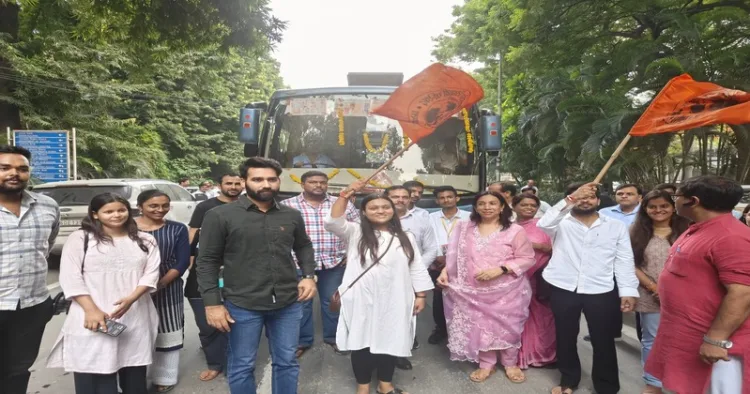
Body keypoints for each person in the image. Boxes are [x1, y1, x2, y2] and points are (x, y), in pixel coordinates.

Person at [197, 157, 317, 394]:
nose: (266, 184)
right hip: (243, 304)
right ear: (244, 181)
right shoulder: (220, 216)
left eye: (271, 179)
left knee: (287, 362)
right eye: (258, 179)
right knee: (242, 365)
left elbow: (303, 246)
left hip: (287, 302)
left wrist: (308, 275)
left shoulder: (291, 215)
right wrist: (212, 305)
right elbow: (207, 261)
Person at [325, 180, 434, 394]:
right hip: (361, 298)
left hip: (396, 299)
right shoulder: (355, 233)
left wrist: (420, 295)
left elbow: (416, 267)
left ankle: (385, 385)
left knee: (391, 340)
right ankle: (363, 387)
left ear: (393, 211)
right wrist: (345, 195)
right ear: (364, 212)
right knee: (360, 341)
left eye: (386, 207)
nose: (381, 211)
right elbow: (333, 222)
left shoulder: (406, 237)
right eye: (374, 207)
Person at [47, 193, 161, 394]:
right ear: (95, 214)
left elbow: (151, 274)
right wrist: (91, 310)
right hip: (91, 314)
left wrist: (131, 299)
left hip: (136, 313)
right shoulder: (81, 238)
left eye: (121, 210)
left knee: (134, 369)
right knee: (95, 368)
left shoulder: (145, 240)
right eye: (108, 211)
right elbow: (70, 276)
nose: (116, 215)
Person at [645, 176, 750, 394]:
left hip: (718, 350)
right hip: (687, 336)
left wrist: (717, 339)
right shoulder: (699, 228)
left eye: (676, 196)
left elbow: (742, 293)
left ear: (693, 201)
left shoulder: (731, 236)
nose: (675, 201)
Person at [538, 182, 639, 394]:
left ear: (598, 201)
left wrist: (628, 290)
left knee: (603, 339)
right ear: (572, 199)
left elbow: (623, 259)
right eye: (580, 197)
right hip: (564, 287)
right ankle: (568, 379)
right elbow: (544, 223)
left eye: (590, 197)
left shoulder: (614, 226)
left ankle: (607, 387)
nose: (586, 201)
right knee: (565, 335)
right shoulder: (559, 223)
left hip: (601, 289)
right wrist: (572, 196)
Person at [437, 191, 535, 383]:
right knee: (479, 327)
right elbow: (453, 254)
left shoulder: (515, 230)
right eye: (482, 203)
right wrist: (444, 272)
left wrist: (501, 269)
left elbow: (527, 258)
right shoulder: (464, 228)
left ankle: (510, 363)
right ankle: (486, 364)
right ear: (475, 207)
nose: (487, 207)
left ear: (501, 207)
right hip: (472, 291)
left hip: (507, 290)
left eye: (492, 203)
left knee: (508, 327)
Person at [280, 170, 359, 357]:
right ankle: (302, 341)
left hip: (334, 262)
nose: (318, 185)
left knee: (332, 302)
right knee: (302, 303)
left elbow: (357, 229)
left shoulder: (341, 204)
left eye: (322, 182)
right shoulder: (287, 205)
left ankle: (334, 338)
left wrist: (350, 253)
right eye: (313, 182)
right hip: (299, 263)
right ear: (302, 185)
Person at [0, 145, 60, 394]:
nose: (15, 173)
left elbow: (47, 246)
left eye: (22, 168)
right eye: (5, 168)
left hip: (32, 305)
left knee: (19, 369)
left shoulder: (47, 206)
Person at [629, 190, 690, 394]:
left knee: (684, 340)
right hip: (650, 294)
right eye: (652, 207)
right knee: (652, 340)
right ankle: (653, 384)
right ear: (645, 209)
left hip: (686, 295)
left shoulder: (688, 230)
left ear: (673, 207)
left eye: (664, 206)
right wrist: (654, 288)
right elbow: (630, 263)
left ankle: (682, 381)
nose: (658, 210)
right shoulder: (635, 231)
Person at [185, 173, 243, 382]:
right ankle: (215, 363)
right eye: (229, 183)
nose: (234, 187)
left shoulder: (248, 206)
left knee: (236, 324)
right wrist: (191, 265)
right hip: (206, 272)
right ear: (220, 185)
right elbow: (192, 236)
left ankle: (236, 366)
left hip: (237, 274)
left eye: (238, 183)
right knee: (207, 324)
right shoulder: (205, 207)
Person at [135, 190, 191, 392]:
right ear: (140, 206)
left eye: (165, 206)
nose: (160, 210)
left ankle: (164, 378)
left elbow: (183, 260)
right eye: (153, 206)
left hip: (168, 286)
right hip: (130, 289)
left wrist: (160, 284)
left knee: (168, 329)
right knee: (132, 332)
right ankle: (131, 379)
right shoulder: (126, 227)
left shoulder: (177, 229)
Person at [384, 185, 438, 370]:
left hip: (410, 276)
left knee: (406, 315)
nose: (400, 200)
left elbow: (431, 247)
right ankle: (376, 353)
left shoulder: (421, 220)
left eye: (404, 197)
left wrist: (416, 267)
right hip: (381, 277)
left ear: (409, 199)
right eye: (395, 196)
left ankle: (400, 352)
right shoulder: (375, 219)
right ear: (386, 198)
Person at [513, 194, 557, 369]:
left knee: (543, 318)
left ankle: (543, 354)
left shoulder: (544, 226)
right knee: (518, 318)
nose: (529, 208)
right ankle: (519, 354)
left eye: (533, 205)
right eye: (524, 205)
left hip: (539, 279)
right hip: (516, 280)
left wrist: (532, 245)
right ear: (514, 206)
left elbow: (552, 249)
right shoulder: (508, 227)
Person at [427, 186, 470, 345]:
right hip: (438, 262)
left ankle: (462, 329)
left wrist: (454, 258)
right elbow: (429, 238)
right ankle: (441, 329)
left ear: (457, 198)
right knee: (439, 297)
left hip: (463, 263)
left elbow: (471, 239)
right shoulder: (430, 218)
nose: (446, 200)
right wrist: (439, 255)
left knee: (463, 297)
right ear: (437, 201)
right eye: (442, 198)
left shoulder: (469, 216)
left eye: (449, 197)